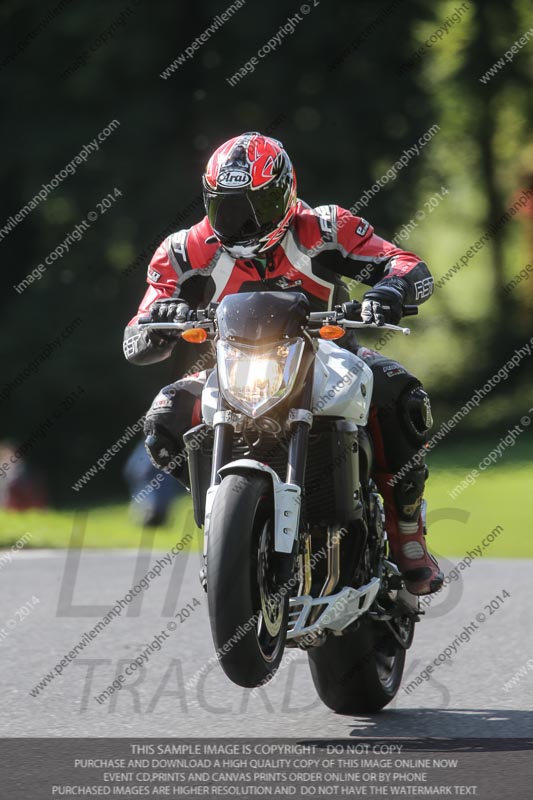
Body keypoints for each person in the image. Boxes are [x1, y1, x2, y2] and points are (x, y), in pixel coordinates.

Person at [123, 132, 443, 596]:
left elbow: (404, 264)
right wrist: (158, 320)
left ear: (286, 192)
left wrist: (389, 291)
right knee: (165, 417)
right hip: (232, 370)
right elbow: (140, 326)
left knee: (402, 395)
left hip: (331, 357)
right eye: (228, 208)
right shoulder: (184, 250)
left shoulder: (327, 227)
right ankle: (230, 524)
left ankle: (406, 532)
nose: (243, 223)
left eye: (256, 206)